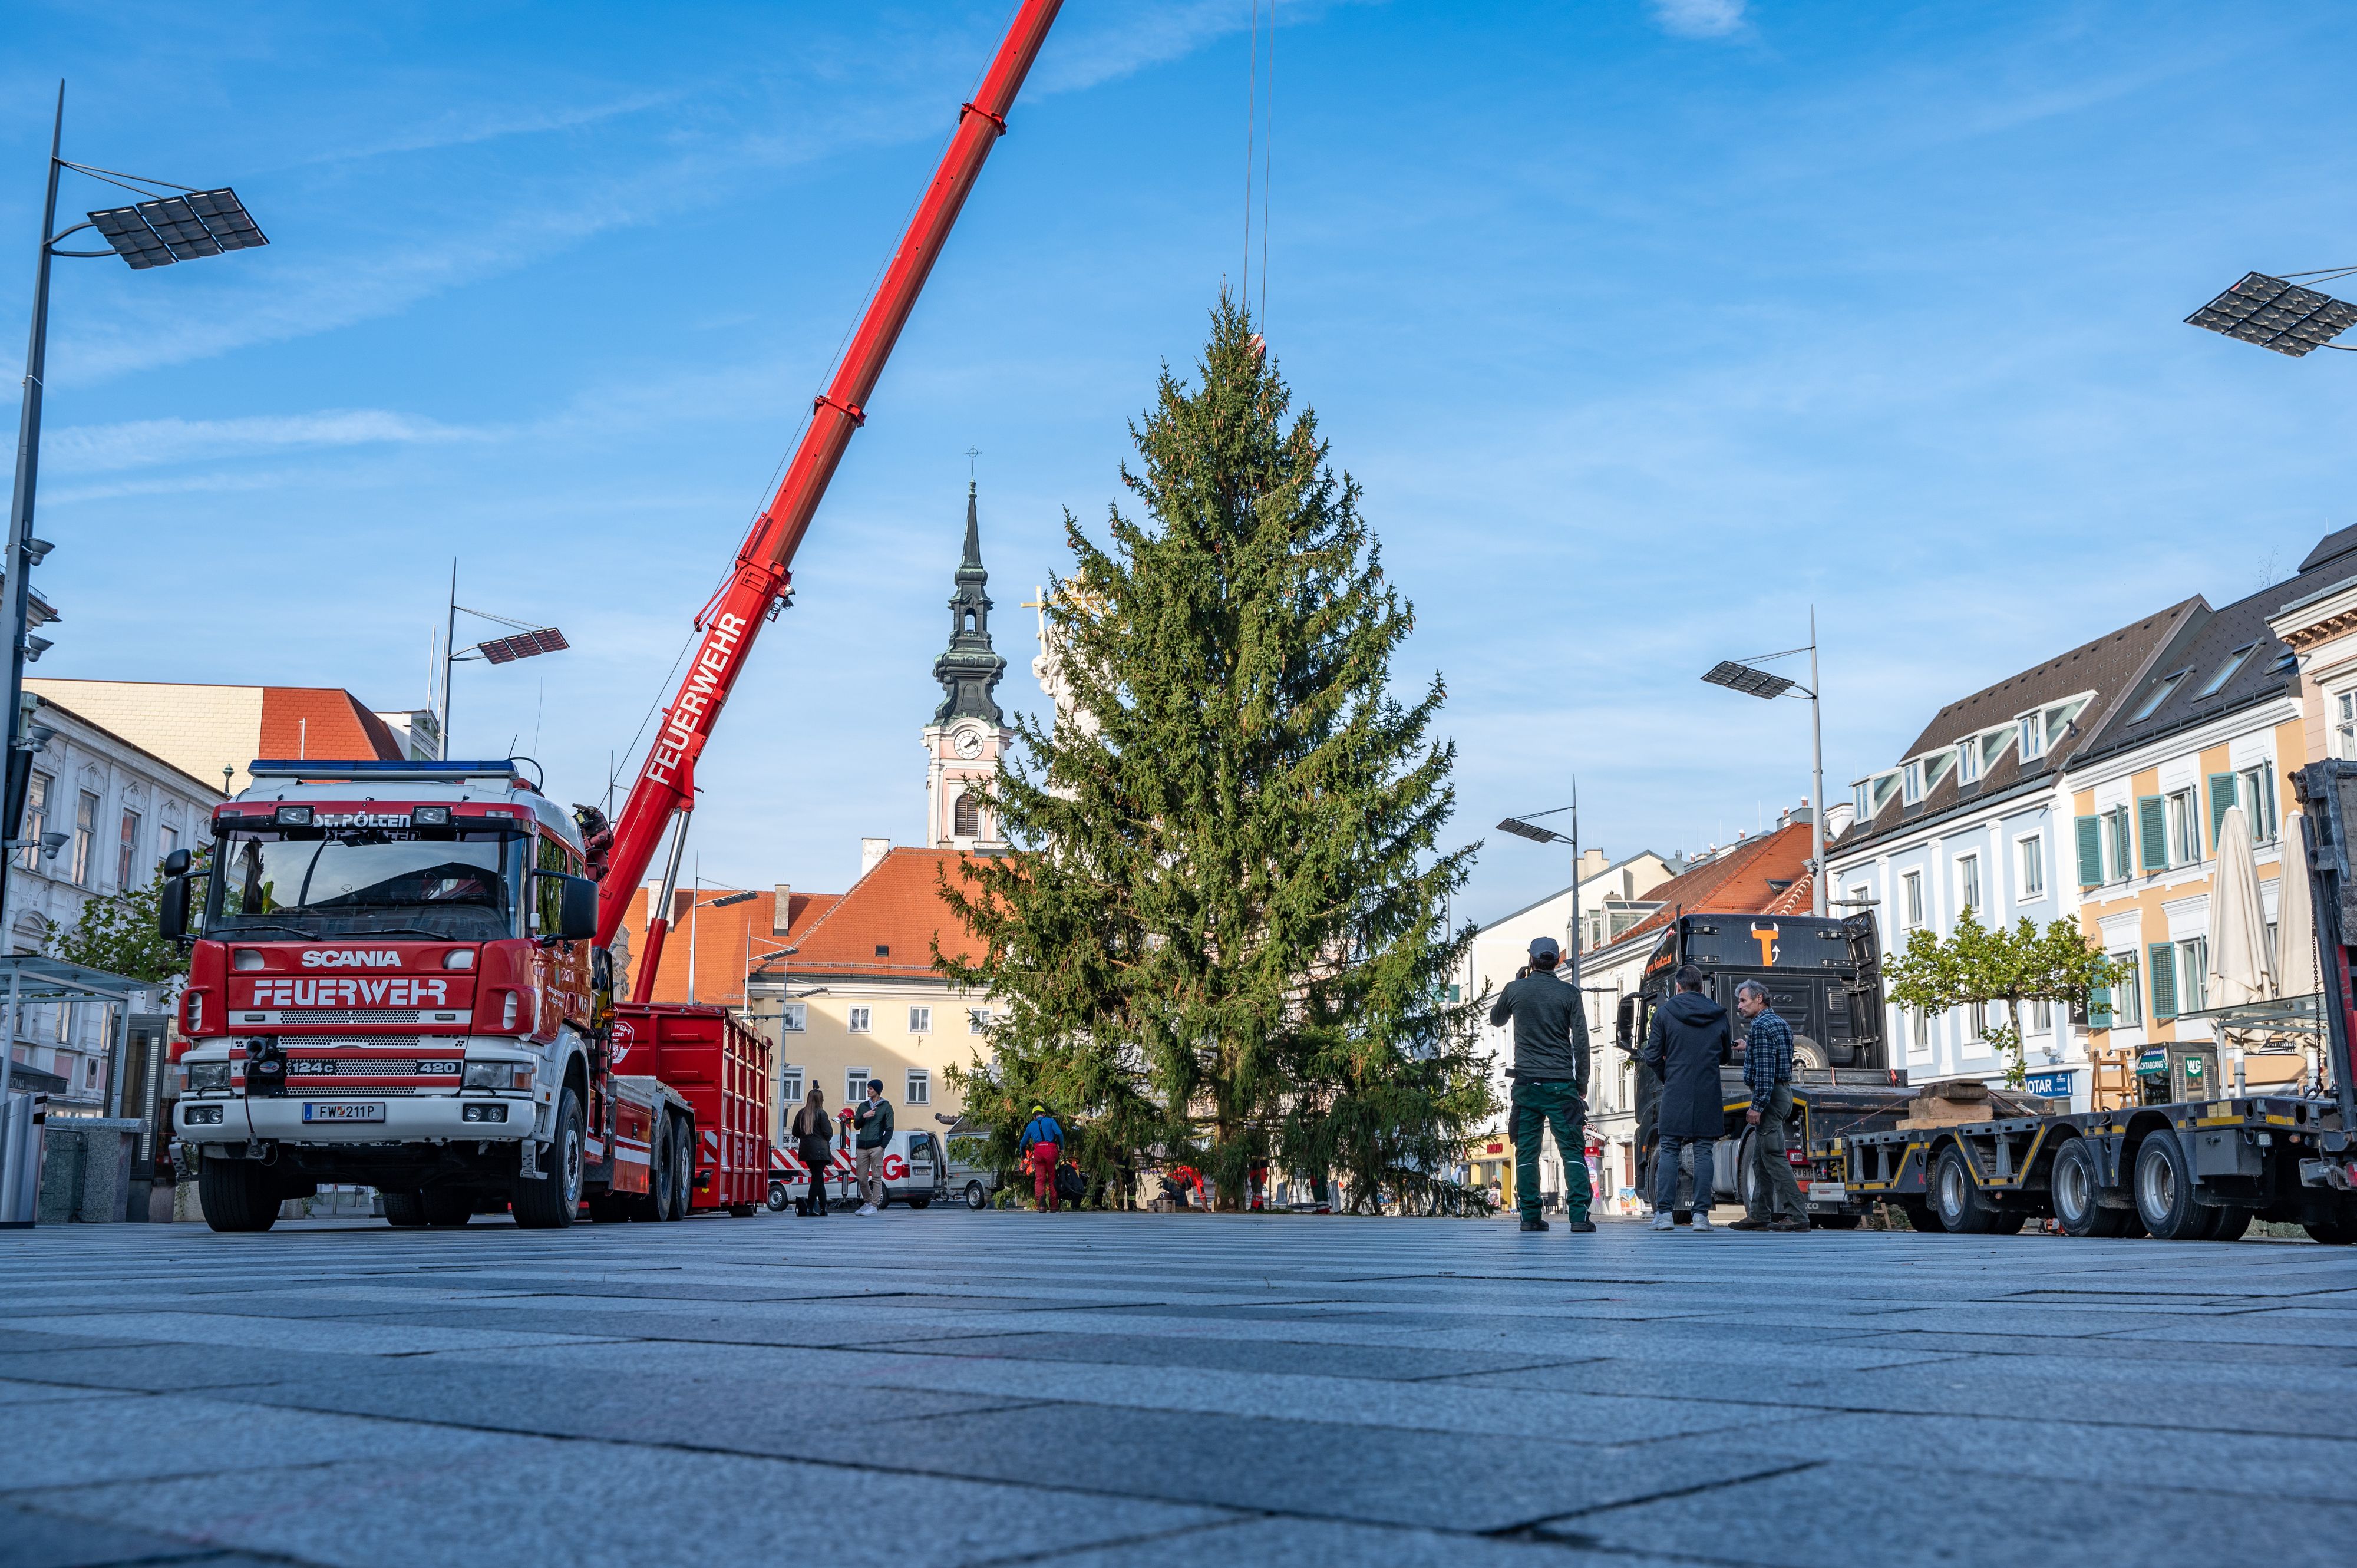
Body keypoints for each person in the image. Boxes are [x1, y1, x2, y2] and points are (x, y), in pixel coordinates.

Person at [1487, 935, 1593, 1234]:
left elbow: (1496, 1020)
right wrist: (1581, 1082)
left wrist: (1516, 982)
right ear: (1557, 961)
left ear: (1531, 960)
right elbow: (1582, 1042)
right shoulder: (1570, 994)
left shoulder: (1516, 990)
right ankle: (1579, 1218)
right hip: (1562, 1086)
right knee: (1572, 1150)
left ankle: (1530, 1217)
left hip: (1526, 1087)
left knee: (1527, 1151)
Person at [1643, 963, 1731, 1233]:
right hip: (1707, 1090)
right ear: (1701, 987)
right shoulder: (1718, 1015)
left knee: (1669, 1148)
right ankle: (1701, 1216)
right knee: (1704, 1150)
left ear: (1678, 987)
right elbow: (1725, 1055)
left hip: (1676, 1089)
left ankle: (1665, 1215)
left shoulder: (1665, 1014)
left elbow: (1651, 1055)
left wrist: (1667, 1074)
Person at [1729, 979, 1808, 1233]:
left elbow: (1765, 1071)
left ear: (1759, 998)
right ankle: (1759, 1214)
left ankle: (1798, 1215)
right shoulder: (1779, 1023)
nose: (1739, 1006)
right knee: (1760, 1160)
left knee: (1773, 1157)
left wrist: (1757, 1105)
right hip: (1783, 1092)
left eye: (1743, 1000)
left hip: (1770, 1096)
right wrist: (1748, 1046)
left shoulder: (1761, 1027)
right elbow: (1775, 1056)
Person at [788, 1087, 834, 1216]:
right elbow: (828, 1133)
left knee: (819, 1179)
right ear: (820, 1100)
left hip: (806, 1151)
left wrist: (806, 1138)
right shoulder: (821, 1113)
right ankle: (810, 1207)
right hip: (820, 1152)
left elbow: (795, 1132)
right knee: (817, 1179)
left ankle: (824, 1209)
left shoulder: (801, 1113)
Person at [851, 1078, 893, 1215]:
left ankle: (874, 1206)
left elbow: (890, 1129)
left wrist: (882, 1147)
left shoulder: (886, 1107)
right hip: (862, 1147)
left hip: (876, 1147)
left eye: (871, 1088)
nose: (868, 1090)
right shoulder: (863, 1106)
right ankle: (868, 1202)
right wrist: (864, 1116)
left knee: (876, 1177)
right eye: (868, 1088)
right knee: (862, 1178)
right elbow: (856, 1125)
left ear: (877, 1091)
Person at [1020, 1102, 1065, 1212]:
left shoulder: (1031, 1126)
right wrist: (1062, 1148)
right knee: (1052, 1178)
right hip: (1051, 1152)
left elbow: (1022, 1143)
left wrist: (1024, 1156)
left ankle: (1041, 1207)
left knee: (1040, 1180)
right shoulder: (1051, 1121)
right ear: (1043, 1114)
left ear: (1034, 1116)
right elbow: (1059, 1134)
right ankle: (1054, 1207)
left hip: (1038, 1153)